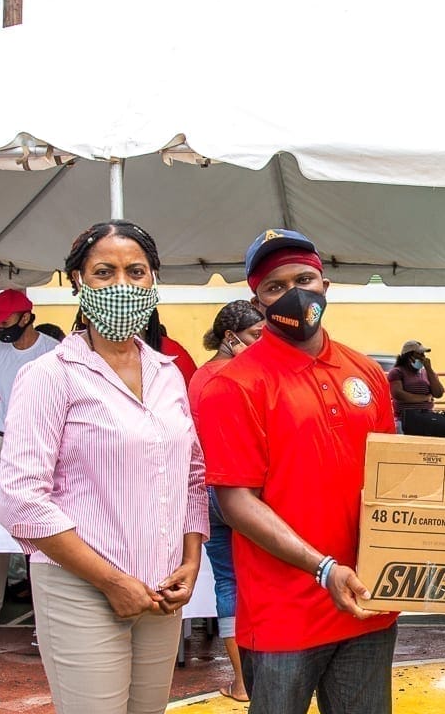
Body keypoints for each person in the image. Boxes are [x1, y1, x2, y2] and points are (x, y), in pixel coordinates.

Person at [0, 220, 208, 714]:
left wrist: (192, 558)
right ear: (77, 282)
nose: (122, 286)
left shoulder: (167, 372)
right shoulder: (49, 376)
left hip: (161, 588)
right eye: (104, 272)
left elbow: (193, 475)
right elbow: (22, 501)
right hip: (82, 587)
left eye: (136, 272)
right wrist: (112, 581)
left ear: (153, 282)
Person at [195, 228, 398, 714]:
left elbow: (394, 476)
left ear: (325, 285)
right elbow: (236, 502)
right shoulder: (235, 384)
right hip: (283, 611)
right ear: (258, 300)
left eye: (305, 278)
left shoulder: (365, 372)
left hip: (367, 600)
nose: (295, 294)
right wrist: (322, 567)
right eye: (276, 286)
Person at [0, 289, 60, 631]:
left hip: (43, 445)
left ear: (25, 317)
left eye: (4, 321)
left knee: (41, 525)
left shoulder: (53, 351)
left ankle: (44, 604)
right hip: (4, 443)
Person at [186, 300, 265, 704]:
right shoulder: (241, 376)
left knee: (228, 582)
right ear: (230, 339)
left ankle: (241, 681)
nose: (263, 342)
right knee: (261, 578)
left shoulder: (200, 376)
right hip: (242, 490)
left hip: (207, 491)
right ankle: (264, 674)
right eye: (256, 335)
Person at [387, 339, 445, 432]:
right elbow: (398, 394)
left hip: (426, 418)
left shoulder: (427, 373)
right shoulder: (397, 372)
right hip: (404, 420)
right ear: (409, 356)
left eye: (424, 354)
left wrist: (429, 370)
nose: (423, 357)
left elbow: (438, 393)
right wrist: (425, 398)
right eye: (420, 354)